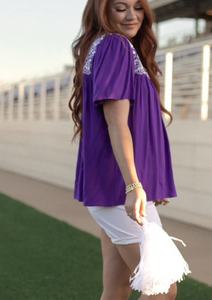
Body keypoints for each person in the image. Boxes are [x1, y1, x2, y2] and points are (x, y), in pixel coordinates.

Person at [69, 0, 178, 299]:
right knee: (163, 289)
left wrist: (146, 184)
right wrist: (134, 184)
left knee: (117, 289)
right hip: (120, 190)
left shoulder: (107, 46)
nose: (132, 15)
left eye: (138, 7)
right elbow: (117, 124)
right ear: (102, 11)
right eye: (121, 7)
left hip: (117, 189)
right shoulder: (114, 45)